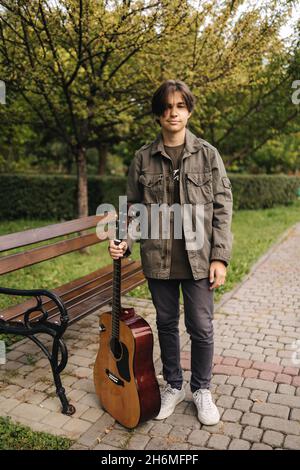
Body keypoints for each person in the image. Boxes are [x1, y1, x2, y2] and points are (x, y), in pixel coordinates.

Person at [108, 79, 233, 425]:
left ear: (189, 110)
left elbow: (223, 207)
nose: (173, 113)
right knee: (165, 324)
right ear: (158, 115)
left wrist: (220, 256)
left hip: (199, 259)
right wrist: (123, 239)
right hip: (158, 261)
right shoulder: (142, 158)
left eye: (179, 106)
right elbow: (133, 208)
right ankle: (173, 385)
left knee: (201, 327)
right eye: (166, 108)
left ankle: (202, 389)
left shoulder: (208, 155)